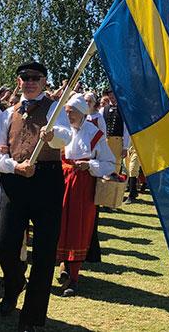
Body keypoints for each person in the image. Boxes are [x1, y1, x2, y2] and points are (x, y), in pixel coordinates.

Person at [0, 61, 72, 332]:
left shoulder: (55, 109)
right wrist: (13, 166)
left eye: (36, 77)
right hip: (14, 180)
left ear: (45, 82)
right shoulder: (6, 114)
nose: (30, 81)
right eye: (25, 77)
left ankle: (32, 318)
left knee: (45, 253)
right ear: (18, 81)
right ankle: (14, 283)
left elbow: (66, 136)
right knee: (4, 244)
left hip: (47, 179)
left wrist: (53, 135)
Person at [55, 94, 115, 297]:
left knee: (79, 227)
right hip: (62, 183)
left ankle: (74, 276)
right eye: (67, 112)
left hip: (83, 186)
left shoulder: (94, 134)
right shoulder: (62, 132)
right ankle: (63, 265)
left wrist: (89, 165)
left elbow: (109, 163)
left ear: (82, 113)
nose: (68, 115)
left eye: (71, 112)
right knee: (60, 224)